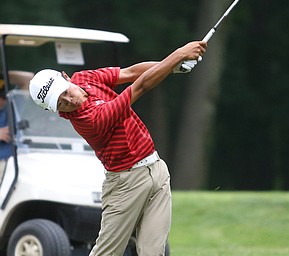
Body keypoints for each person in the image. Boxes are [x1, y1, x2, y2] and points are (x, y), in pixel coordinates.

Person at [29, 40, 207, 256]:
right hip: (126, 183)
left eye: (65, 92)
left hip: (157, 171)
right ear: (56, 110)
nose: (69, 101)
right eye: (61, 103)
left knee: (153, 252)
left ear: (66, 77)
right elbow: (139, 86)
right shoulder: (86, 121)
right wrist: (177, 55)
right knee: (107, 253)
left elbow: (129, 73)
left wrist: (171, 66)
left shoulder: (85, 78)